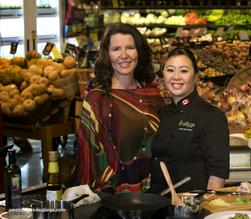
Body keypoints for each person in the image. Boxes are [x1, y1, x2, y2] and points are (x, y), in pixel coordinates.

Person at [75, 23, 165, 192]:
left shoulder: (152, 93)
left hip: (156, 193)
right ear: (107, 55)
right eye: (116, 49)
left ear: (139, 52)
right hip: (113, 198)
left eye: (130, 47)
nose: (124, 55)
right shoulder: (97, 99)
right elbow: (86, 156)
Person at [150, 47, 230, 193]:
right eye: (170, 70)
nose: (176, 77)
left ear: (196, 76)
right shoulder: (161, 113)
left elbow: (217, 175)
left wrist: (205, 207)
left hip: (190, 207)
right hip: (157, 203)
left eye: (184, 71)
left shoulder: (211, 116)